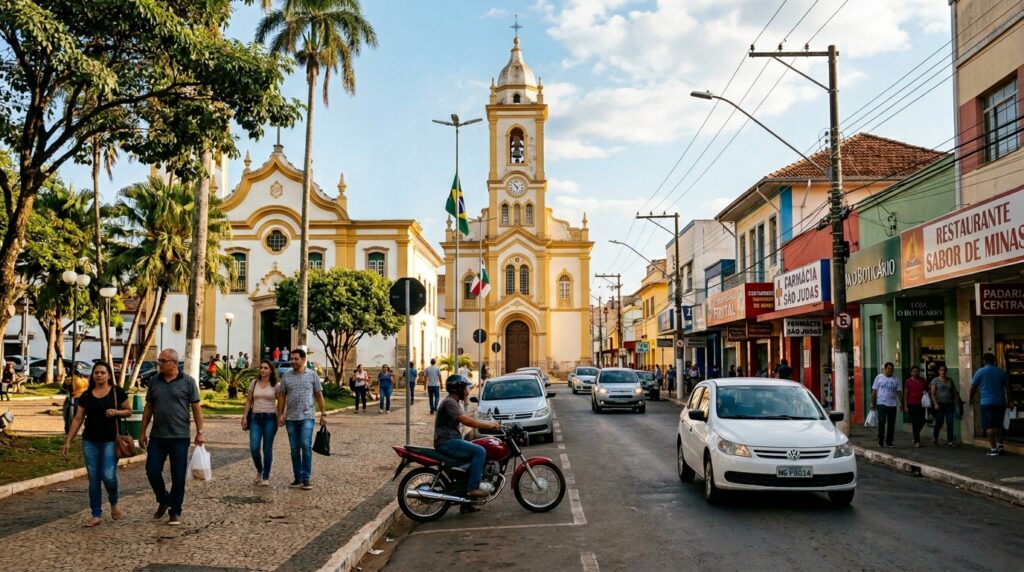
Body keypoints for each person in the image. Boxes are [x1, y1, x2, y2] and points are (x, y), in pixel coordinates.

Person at [140, 349, 205, 526]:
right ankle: (163, 498)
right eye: (159, 360)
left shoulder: (188, 382)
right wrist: (142, 431)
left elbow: (196, 408)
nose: (159, 363)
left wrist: (200, 432)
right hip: (157, 436)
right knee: (152, 470)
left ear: (174, 363)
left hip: (179, 437)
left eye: (163, 361)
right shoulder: (154, 382)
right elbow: (148, 408)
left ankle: (175, 510)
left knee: (178, 476)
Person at [61, 362, 129, 527]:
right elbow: (78, 418)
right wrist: (68, 440)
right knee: (93, 478)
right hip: (90, 441)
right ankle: (96, 514)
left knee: (108, 476)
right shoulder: (86, 395)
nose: (99, 375)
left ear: (108, 375)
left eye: (102, 372)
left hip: (110, 441)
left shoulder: (116, 392)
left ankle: (114, 503)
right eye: (96, 373)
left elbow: (128, 410)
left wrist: (116, 412)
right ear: (92, 375)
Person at [434, 375, 502, 504]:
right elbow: (466, 420)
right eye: (465, 388)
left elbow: (466, 416)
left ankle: (467, 503)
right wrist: (489, 425)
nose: (467, 391)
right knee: (480, 451)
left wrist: (465, 402)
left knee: (474, 454)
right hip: (446, 442)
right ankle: (473, 488)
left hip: (451, 440)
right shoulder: (450, 403)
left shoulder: (453, 402)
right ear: (458, 389)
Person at [276, 348, 327, 489]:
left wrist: (323, 413)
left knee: (305, 445)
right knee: (294, 448)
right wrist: (280, 414)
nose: (293, 361)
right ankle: (297, 476)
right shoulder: (286, 376)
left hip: (307, 416)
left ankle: (306, 477)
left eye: (296, 359)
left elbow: (319, 395)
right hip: (291, 418)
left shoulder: (312, 375)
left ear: (303, 359)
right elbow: (281, 396)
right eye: (291, 359)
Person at [242, 360, 279, 486]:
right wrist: (244, 417)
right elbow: (248, 401)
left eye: (265, 368)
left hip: (270, 418)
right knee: (254, 447)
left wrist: (281, 416)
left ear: (271, 370)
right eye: (261, 368)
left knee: (267, 448)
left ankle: (265, 476)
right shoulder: (254, 383)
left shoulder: (276, 385)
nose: (262, 370)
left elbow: (282, 402)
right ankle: (259, 470)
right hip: (255, 418)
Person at [969, 353, 1012, 456]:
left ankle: (993, 449)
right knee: (999, 425)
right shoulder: (1001, 372)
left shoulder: (980, 372)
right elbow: (1008, 388)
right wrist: (1009, 401)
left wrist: (970, 399)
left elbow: (973, 387)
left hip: (986, 403)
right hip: (1000, 402)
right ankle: (1000, 445)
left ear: (984, 360)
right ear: (994, 360)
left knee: (989, 426)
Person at [870, 362, 902, 448]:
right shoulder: (879, 378)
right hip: (881, 403)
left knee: (891, 424)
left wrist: (901, 403)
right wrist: (872, 403)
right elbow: (874, 392)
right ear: (885, 369)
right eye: (889, 369)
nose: (890, 371)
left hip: (892, 404)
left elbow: (899, 392)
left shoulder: (896, 379)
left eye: (892, 369)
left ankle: (889, 441)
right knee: (882, 421)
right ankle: (880, 441)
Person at [930, 365, 960, 447]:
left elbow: (954, 391)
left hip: (949, 404)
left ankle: (950, 441)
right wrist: (935, 403)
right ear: (938, 371)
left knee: (950, 421)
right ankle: (935, 436)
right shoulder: (935, 380)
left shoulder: (950, 380)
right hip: (939, 404)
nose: (943, 372)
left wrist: (957, 402)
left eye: (944, 370)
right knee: (939, 421)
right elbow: (932, 393)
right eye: (941, 370)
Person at [903, 365, 929, 448]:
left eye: (917, 371)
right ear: (911, 372)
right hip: (912, 404)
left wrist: (925, 392)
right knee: (915, 422)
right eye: (913, 371)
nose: (915, 373)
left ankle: (915, 436)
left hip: (921, 404)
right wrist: (905, 406)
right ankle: (917, 441)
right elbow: (906, 394)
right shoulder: (908, 381)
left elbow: (926, 388)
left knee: (922, 421)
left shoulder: (923, 380)